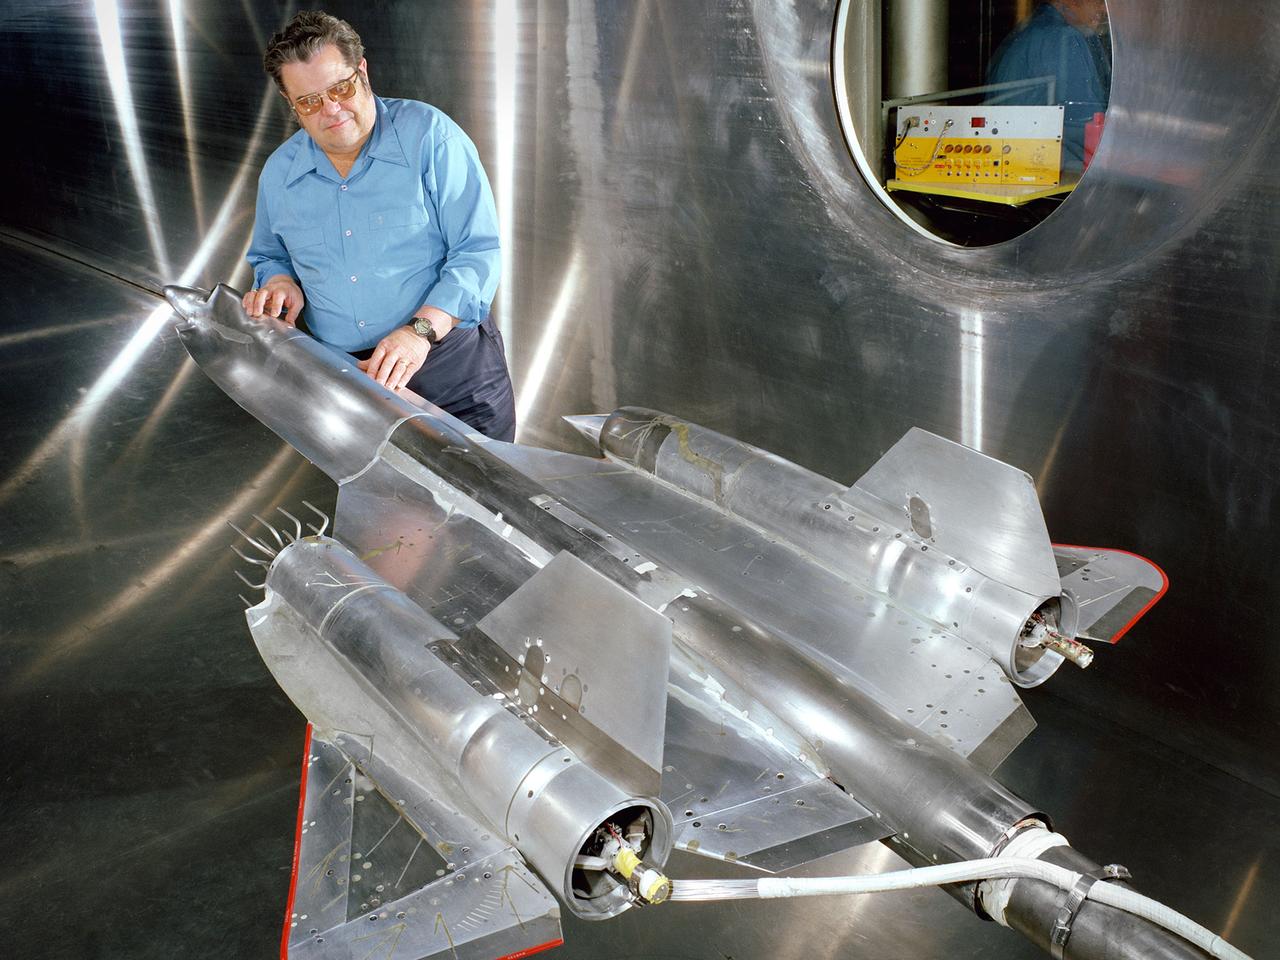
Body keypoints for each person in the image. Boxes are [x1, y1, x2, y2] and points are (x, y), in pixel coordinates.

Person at [243, 11, 516, 441]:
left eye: (341, 88)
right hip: (346, 383)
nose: (331, 110)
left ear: (363, 72)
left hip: (450, 372)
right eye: (310, 101)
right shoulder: (279, 174)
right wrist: (280, 281)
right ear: (290, 103)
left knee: (484, 484)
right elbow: (270, 255)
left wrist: (418, 333)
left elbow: (477, 252)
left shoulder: (431, 137)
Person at [986, 0, 1112, 169]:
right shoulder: (1063, 38)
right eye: (1098, 1)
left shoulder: (1026, 32)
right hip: (1051, 167)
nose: (1104, 8)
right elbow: (1088, 124)